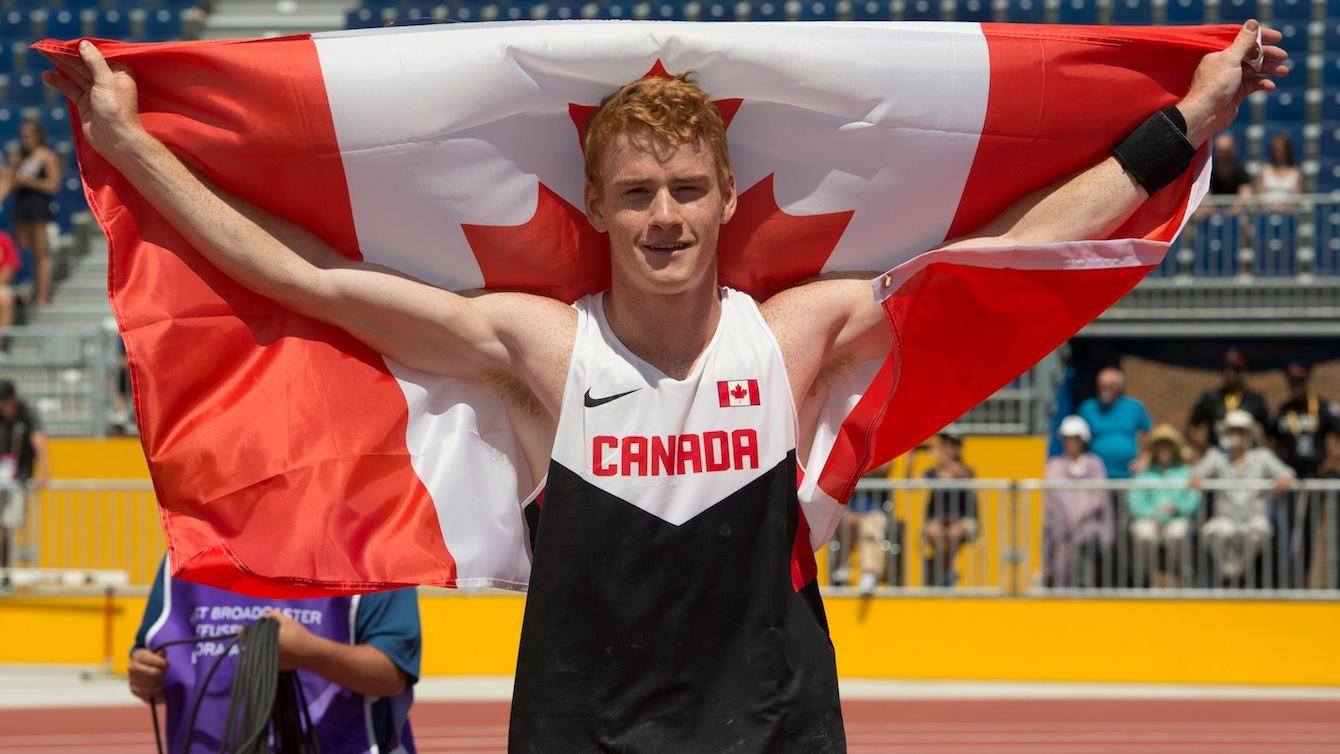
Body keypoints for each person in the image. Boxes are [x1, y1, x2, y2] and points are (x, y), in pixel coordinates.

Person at [47, 22, 1286, 751]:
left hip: (775, 727)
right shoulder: (538, 348)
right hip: (583, 733)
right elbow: (307, 280)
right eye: (636, 193)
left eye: (687, 189)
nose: (664, 217)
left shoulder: (792, 334)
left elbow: (1008, 250)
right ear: (593, 206)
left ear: (725, 197)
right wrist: (129, 144)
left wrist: (1181, 122)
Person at [130, 556, 420, 753]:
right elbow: (153, 660)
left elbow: (393, 672)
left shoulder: (371, 550)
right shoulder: (188, 551)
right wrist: (145, 676)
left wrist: (312, 654)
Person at [1193, 409, 1295, 584]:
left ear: (1249, 434)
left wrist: (1282, 482)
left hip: (1255, 519)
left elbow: (1288, 474)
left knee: (1258, 531)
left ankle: (1239, 570)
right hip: (1225, 519)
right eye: (1231, 430)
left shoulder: (1263, 457)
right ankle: (1228, 571)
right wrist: (1196, 479)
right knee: (1211, 532)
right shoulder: (1216, 457)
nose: (1235, 434)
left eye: (1240, 430)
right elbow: (1195, 475)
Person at [1268, 362, 1340, 587]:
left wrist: (1331, 460)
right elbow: (1270, 443)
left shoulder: (1323, 407)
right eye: (1291, 381)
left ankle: (1309, 583)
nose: (1295, 386)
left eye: (1299, 381)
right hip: (1290, 479)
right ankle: (1291, 582)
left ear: (1307, 381)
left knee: (1311, 531)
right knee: (1289, 532)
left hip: (1315, 478)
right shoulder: (1282, 410)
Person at [1043, 416, 1113, 588]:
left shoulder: (1095, 464)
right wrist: (1070, 520)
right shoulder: (1054, 465)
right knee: (1063, 555)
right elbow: (1054, 499)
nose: (1071, 442)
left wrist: (1078, 518)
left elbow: (1098, 498)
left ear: (1083, 440)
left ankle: (1085, 592)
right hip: (1060, 529)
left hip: (1089, 528)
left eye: (1075, 438)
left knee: (1083, 542)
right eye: (1067, 438)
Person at [1128, 424, 1201, 588]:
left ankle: (1185, 576)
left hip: (1178, 518)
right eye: (1160, 445)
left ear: (1174, 449)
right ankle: (1151, 578)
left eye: (1168, 445)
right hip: (1149, 519)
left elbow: (1192, 500)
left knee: (1177, 532)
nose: (1164, 450)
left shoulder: (1186, 471)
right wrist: (1152, 515)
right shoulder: (1144, 472)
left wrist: (1175, 508)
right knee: (1143, 533)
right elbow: (1135, 500)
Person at [0, 120, 60, 308]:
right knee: (22, 251)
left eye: (29, 133)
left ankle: (42, 296)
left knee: (40, 254)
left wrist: (31, 181)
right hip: (21, 206)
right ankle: (23, 292)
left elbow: (53, 185)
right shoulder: (18, 156)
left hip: (38, 208)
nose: (26, 136)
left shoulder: (47, 156)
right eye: (23, 133)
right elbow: (11, 183)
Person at [0, 380, 48, 577]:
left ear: (14, 399)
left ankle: (5, 573)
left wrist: (44, 472)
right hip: (1, 479)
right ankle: (4, 573)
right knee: (2, 529)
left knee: (7, 527)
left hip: (18, 479)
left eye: (5, 403)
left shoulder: (27, 414)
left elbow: (39, 441)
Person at [920, 433, 977, 588]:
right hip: (938, 520)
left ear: (959, 448)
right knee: (935, 533)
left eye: (950, 445)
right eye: (943, 445)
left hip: (962, 519)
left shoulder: (966, 469)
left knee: (953, 533)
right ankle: (946, 572)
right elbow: (912, 485)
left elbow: (964, 475)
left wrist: (941, 458)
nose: (946, 449)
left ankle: (940, 572)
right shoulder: (932, 472)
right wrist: (911, 461)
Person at [1188, 347, 1270, 454]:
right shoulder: (1210, 398)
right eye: (1226, 368)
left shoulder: (1255, 399)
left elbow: (1269, 434)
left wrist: (1261, 451)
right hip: (1219, 457)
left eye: (1235, 369)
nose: (1230, 373)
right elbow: (1191, 428)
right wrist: (1205, 449)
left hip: (1248, 457)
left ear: (1243, 371)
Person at [1077, 366, 1151, 480]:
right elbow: (1076, 438)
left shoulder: (1134, 407)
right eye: (1102, 386)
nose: (1105, 389)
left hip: (1128, 475)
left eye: (1110, 386)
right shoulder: (1088, 408)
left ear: (1119, 387)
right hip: (1096, 476)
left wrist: (1145, 458)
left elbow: (1151, 434)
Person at [833, 461, 896, 593]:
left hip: (874, 509)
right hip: (849, 508)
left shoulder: (881, 442)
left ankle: (869, 572)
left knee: (871, 525)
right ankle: (842, 567)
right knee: (845, 521)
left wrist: (862, 465)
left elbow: (884, 467)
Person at [1255, 132, 1302, 208]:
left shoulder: (1296, 173)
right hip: (1267, 214)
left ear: (1287, 151)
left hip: (1288, 216)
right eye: (1275, 150)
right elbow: (1259, 198)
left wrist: (1284, 208)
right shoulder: (1263, 171)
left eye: (1281, 150)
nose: (1278, 153)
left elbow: (1296, 200)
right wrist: (1271, 208)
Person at [1209, 131, 1252, 199]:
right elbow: (1204, 201)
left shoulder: (1241, 172)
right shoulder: (1208, 174)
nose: (1223, 155)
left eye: (1227, 151)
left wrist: (1237, 207)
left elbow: (1245, 198)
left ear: (1234, 150)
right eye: (1220, 151)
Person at [0, 229, 20, 338]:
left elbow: (8, 270)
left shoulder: (3, 239)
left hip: (1, 285)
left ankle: (1, 345)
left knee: (5, 298)